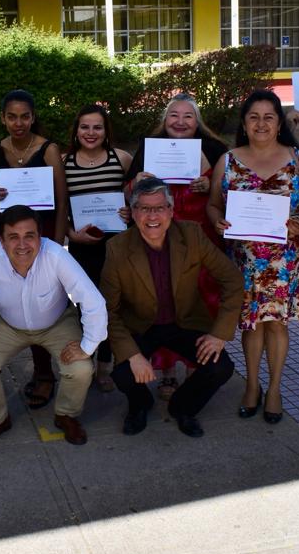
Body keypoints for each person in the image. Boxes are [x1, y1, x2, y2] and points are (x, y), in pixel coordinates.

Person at [0, 205, 107, 447]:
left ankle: (66, 415)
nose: (22, 245)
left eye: (29, 236)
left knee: (81, 368)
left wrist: (88, 345)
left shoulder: (56, 256)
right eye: (13, 237)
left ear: (41, 237)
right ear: (0, 240)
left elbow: (92, 300)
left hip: (57, 322)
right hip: (7, 324)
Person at [100, 178, 242, 436]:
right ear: (133, 213)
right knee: (123, 373)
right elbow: (108, 309)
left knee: (220, 367)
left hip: (184, 321)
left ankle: (183, 407)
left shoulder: (192, 234)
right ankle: (140, 404)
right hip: (141, 324)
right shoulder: (117, 248)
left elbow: (231, 279)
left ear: (171, 210)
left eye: (159, 208)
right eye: (144, 208)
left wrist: (219, 333)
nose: (152, 215)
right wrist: (133, 355)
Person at [208, 90, 299, 424]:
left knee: (276, 326)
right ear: (244, 122)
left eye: (269, 116)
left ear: (279, 122)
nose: (261, 123)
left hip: (283, 259)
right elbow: (213, 203)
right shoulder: (228, 160)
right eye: (253, 116)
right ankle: (252, 386)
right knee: (251, 327)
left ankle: (274, 390)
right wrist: (216, 220)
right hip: (245, 259)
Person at [127, 94, 229, 398]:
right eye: (174, 115)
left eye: (188, 116)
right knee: (162, 302)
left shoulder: (214, 149)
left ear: (197, 121)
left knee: (198, 304)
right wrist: (136, 183)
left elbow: (231, 194)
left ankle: (194, 367)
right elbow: (127, 191)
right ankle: (167, 371)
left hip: (200, 241)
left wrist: (211, 186)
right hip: (159, 238)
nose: (180, 122)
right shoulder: (149, 146)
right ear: (164, 119)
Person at [0, 90, 68, 410]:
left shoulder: (48, 149)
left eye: (24, 116)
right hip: (16, 239)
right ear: (3, 118)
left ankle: (48, 371)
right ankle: (43, 369)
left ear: (33, 117)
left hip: (45, 234)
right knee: (23, 298)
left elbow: (62, 200)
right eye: (11, 116)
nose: (18, 123)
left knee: (47, 299)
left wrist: (59, 243)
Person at [63, 104, 132, 387]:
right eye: (85, 127)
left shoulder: (122, 159)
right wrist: (70, 234)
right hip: (82, 247)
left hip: (117, 247)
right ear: (76, 131)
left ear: (106, 132)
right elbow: (57, 206)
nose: (90, 133)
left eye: (97, 127)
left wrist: (130, 210)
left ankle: (106, 362)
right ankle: (87, 358)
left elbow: (138, 197)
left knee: (113, 305)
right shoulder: (64, 163)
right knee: (86, 306)